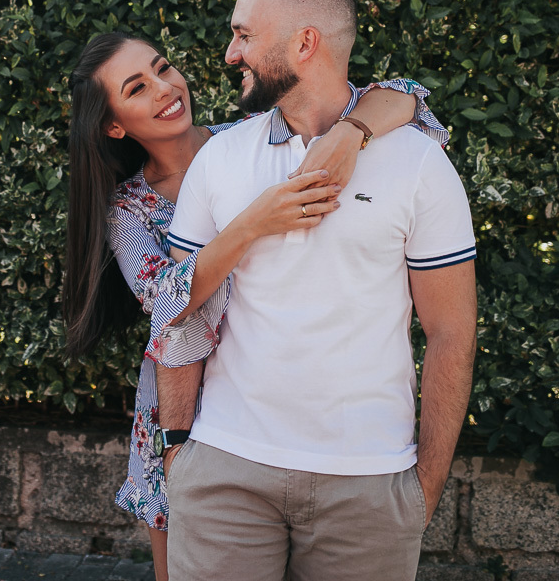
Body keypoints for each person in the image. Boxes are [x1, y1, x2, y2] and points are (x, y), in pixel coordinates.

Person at [63, 30, 450, 580]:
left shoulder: (249, 138)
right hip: (181, 413)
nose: (165, 88)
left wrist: (349, 133)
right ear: (114, 125)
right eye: (137, 87)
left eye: (163, 67)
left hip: (283, 406)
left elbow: (408, 94)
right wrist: (253, 223)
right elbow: (165, 298)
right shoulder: (128, 208)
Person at [161, 0, 477, 581]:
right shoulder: (221, 157)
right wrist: (179, 453)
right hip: (225, 472)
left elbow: (450, 332)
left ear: (305, 43)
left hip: (367, 485)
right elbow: (180, 313)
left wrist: (423, 490)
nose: (230, 54)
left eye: (244, 34)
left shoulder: (418, 162)